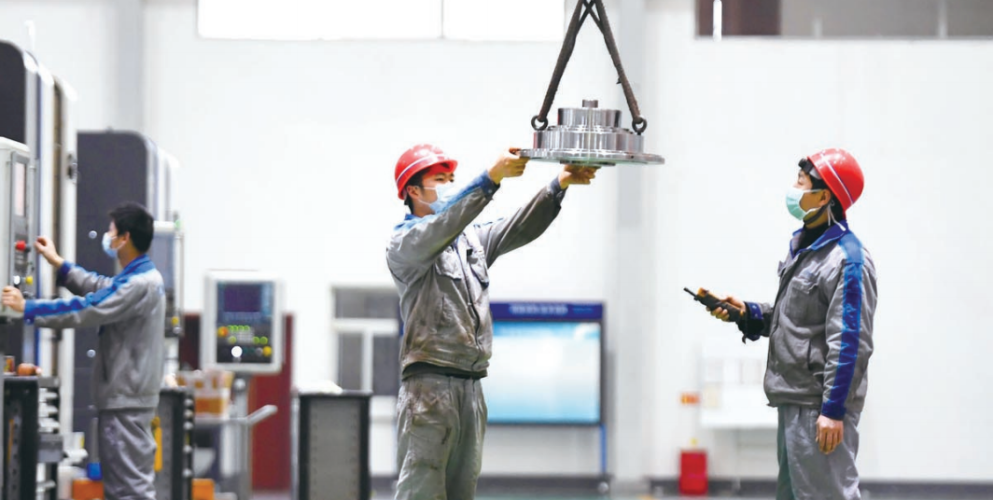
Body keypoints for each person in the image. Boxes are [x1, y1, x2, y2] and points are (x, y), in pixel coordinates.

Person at [386, 144, 596, 500]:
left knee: (462, 492)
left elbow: (518, 228)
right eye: (440, 179)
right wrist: (489, 179)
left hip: (471, 388)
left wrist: (558, 184)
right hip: (429, 389)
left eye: (452, 178)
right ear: (413, 191)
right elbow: (443, 224)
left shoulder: (470, 243)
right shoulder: (405, 244)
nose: (450, 185)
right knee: (422, 491)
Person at [702, 148, 877, 500]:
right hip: (794, 399)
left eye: (801, 182)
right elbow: (796, 320)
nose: (793, 189)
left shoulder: (847, 260)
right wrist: (747, 313)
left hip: (818, 408)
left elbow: (850, 342)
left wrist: (832, 410)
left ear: (824, 196)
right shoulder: (805, 247)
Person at [2, 202, 165, 500]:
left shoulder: (139, 284)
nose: (107, 237)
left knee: (128, 491)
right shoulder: (138, 279)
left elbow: (88, 308)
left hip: (126, 403)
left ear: (125, 238)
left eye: (111, 232)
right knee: (127, 488)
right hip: (128, 401)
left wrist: (28, 308)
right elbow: (101, 288)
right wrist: (59, 264)